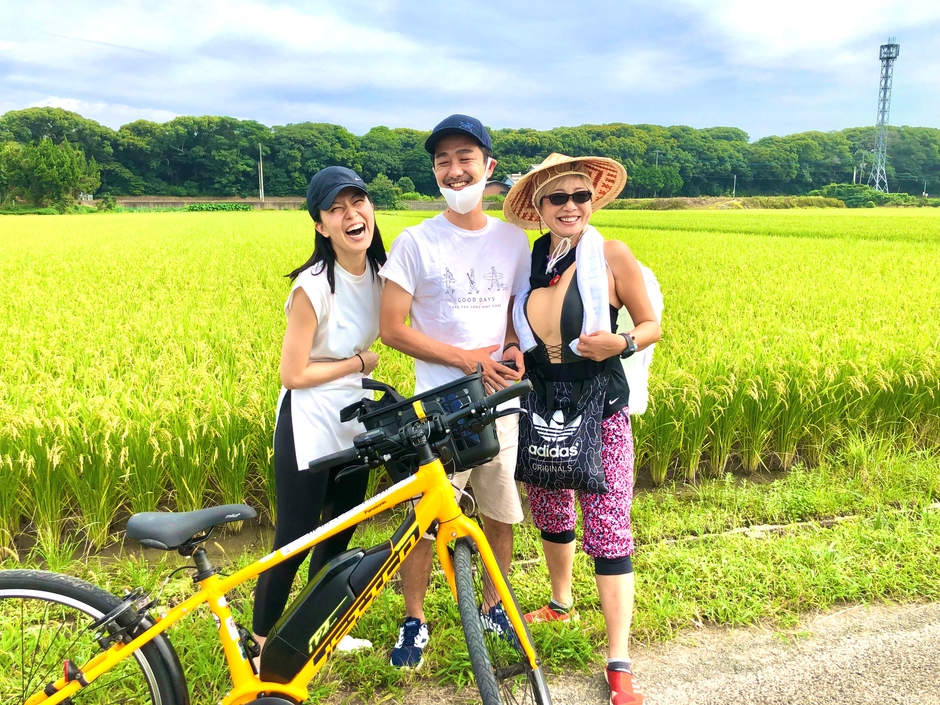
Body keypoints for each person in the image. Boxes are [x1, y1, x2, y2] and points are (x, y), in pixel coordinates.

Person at [503, 153, 661, 705]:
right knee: (549, 503)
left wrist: (622, 342)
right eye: (558, 198)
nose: (570, 206)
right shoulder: (531, 261)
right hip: (542, 400)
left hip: (598, 400)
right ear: (541, 208)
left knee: (608, 516)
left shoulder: (611, 254)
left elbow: (650, 324)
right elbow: (514, 323)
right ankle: (561, 602)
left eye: (580, 196)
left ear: (592, 200)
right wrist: (507, 351)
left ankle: (619, 660)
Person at [378, 114, 531, 669]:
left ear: (488, 168)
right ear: (435, 174)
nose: (454, 169)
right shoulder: (416, 242)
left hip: (499, 402)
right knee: (426, 521)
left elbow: (517, 317)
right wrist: (468, 361)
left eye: (465, 157)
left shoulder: (515, 241)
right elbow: (392, 328)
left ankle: (493, 608)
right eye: (443, 161)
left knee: (500, 512)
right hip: (440, 407)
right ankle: (414, 620)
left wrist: (511, 351)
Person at [252, 166, 386, 659]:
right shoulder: (312, 287)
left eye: (359, 202)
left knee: (342, 528)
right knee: (296, 534)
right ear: (321, 226)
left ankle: (321, 625)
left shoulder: (380, 272)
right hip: (307, 417)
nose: (352, 214)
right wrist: (358, 362)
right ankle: (262, 643)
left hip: (356, 412)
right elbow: (293, 374)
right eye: (336, 208)